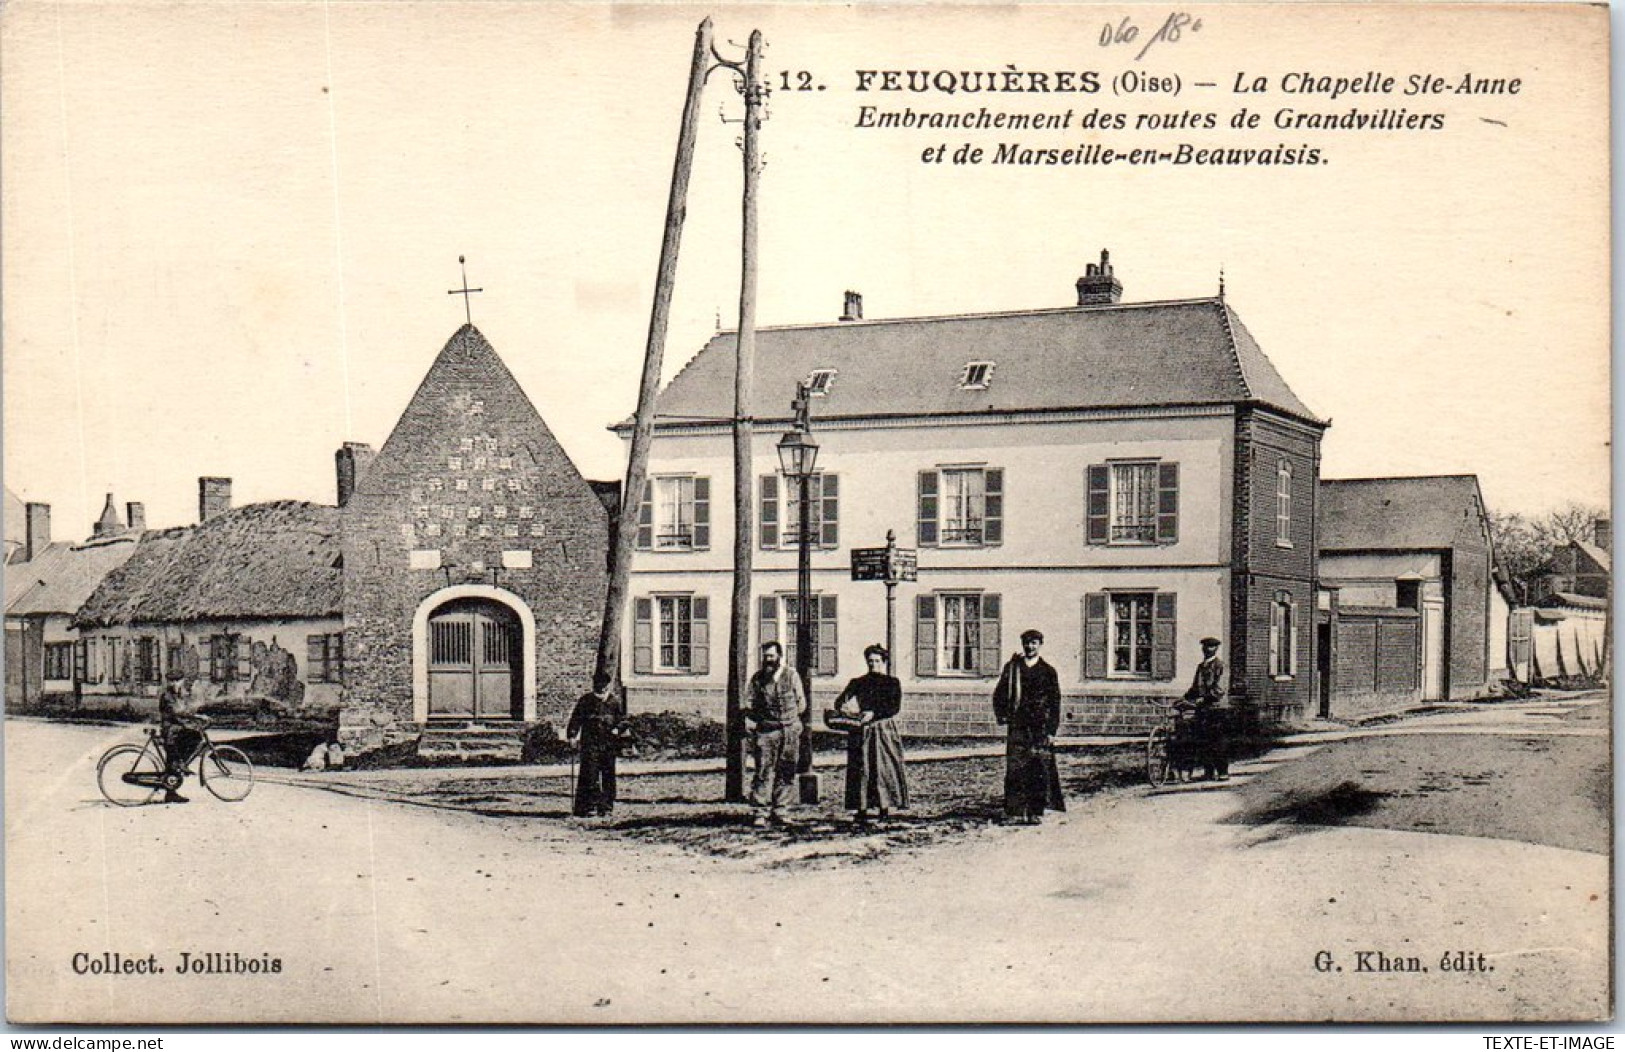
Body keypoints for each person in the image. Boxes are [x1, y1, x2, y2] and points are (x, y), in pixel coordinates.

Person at [991, 628, 1065, 824]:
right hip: (1018, 726)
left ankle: (1034, 812)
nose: (1030, 646)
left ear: (1040, 645)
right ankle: (1015, 812)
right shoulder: (1012, 668)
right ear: (1022, 644)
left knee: (1038, 769)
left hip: (1039, 728)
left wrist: (1051, 730)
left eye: (1034, 643)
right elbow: (999, 693)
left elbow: (1055, 702)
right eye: (1027, 642)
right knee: (1015, 768)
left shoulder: (1048, 671)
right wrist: (1002, 715)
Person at [833, 644, 909, 827]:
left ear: (883, 662)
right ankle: (862, 809)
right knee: (862, 769)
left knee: (883, 769)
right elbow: (839, 701)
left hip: (883, 730)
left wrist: (874, 714)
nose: (873, 664)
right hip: (861, 730)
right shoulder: (858, 682)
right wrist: (845, 707)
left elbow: (894, 707)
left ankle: (884, 808)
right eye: (870, 661)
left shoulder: (892, 683)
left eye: (877, 661)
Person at [745, 641, 805, 827]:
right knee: (763, 771)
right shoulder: (757, 679)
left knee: (786, 771)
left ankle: (781, 810)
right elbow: (749, 703)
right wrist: (758, 720)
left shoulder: (792, 676)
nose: (768, 660)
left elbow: (801, 702)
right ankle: (760, 812)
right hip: (766, 732)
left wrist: (792, 722)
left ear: (780, 656)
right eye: (765, 656)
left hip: (789, 730)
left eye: (771, 656)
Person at [566, 671, 627, 817]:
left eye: (604, 685)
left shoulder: (613, 702)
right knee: (590, 774)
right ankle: (589, 806)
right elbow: (575, 719)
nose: (601, 688)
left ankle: (606, 806)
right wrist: (572, 736)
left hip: (608, 744)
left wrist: (617, 730)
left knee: (608, 774)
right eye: (598, 684)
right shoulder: (586, 701)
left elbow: (623, 721)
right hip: (590, 743)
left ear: (607, 685)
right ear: (595, 685)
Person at [1178, 636, 1229, 781]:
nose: (1207, 649)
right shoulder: (1201, 667)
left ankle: (1223, 771)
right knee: (1203, 740)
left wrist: (1205, 698)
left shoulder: (1220, 666)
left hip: (1216, 708)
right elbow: (1195, 687)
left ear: (1216, 649)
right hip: (1202, 709)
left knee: (1217, 741)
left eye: (1211, 647)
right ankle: (1208, 772)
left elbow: (1219, 688)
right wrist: (1185, 698)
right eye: (1205, 647)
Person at [158, 673, 206, 805]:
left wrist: (195, 716)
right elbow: (178, 712)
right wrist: (196, 717)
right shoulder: (167, 696)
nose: (174, 684)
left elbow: (185, 710)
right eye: (171, 681)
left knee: (172, 762)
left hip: (176, 729)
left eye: (177, 681)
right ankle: (181, 764)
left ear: (182, 681)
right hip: (170, 731)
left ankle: (171, 792)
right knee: (195, 737)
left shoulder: (179, 695)